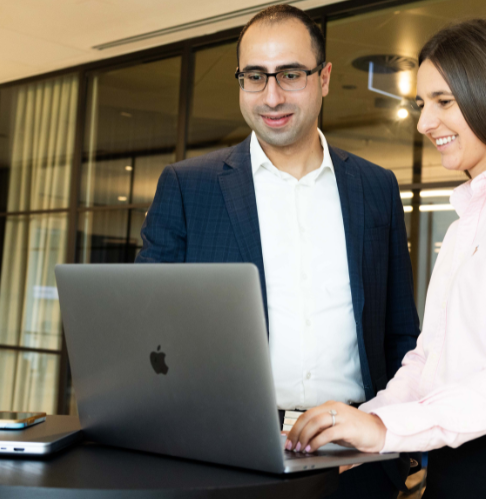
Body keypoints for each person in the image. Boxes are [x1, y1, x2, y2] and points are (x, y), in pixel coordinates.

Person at [285, 19, 486, 498]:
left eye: (444, 102)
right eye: (422, 104)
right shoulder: (465, 225)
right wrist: (355, 422)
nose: (424, 122)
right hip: (453, 469)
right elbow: (424, 363)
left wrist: (382, 430)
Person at [135, 5, 419, 498]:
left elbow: (399, 331)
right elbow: (148, 335)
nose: (272, 96)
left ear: (324, 78)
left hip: (358, 462)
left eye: (290, 74)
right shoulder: (188, 187)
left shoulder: (376, 187)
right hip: (227, 457)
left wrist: (401, 448)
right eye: (254, 77)